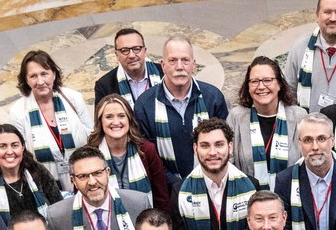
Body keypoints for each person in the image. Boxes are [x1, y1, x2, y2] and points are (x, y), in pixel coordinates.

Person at [46, 146, 151, 230]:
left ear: (107, 173)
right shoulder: (57, 216)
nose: (92, 182)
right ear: (73, 180)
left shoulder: (138, 204)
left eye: (97, 173)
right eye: (83, 176)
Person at [135, 36, 230, 186]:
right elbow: (148, 156)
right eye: (172, 61)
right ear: (163, 65)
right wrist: (176, 185)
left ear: (193, 65)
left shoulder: (212, 97)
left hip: (212, 183)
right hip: (168, 190)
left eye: (185, 60)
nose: (179, 66)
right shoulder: (145, 105)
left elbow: (225, 144)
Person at [171, 118, 259, 230]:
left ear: (230, 147)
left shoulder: (251, 187)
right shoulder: (180, 192)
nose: (212, 152)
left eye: (219, 145)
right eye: (205, 146)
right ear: (195, 149)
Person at [8, 50, 92, 192]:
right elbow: (20, 152)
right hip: (45, 184)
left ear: (53, 74)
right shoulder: (18, 111)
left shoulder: (73, 98)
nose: (40, 82)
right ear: (26, 80)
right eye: (33, 76)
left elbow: (91, 135)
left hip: (83, 178)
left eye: (44, 74)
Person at [227, 56, 307, 189]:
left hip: (290, 199)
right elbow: (228, 162)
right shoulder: (236, 117)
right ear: (248, 86)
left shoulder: (299, 116)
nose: (261, 86)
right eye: (254, 81)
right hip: (247, 199)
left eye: (267, 80)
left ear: (279, 84)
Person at [86, 94, 171, 210]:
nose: (116, 122)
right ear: (100, 121)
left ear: (129, 119)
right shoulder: (88, 154)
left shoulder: (147, 150)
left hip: (145, 221)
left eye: (121, 116)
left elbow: (161, 197)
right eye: (109, 117)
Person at [0, 123, 64, 225]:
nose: (10, 152)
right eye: (3, 146)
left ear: (22, 147)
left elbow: (59, 208)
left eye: (15, 145)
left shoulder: (38, 171)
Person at [94, 27, 163, 109]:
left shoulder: (164, 73)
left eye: (136, 49)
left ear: (145, 51)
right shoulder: (105, 86)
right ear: (116, 55)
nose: (131, 55)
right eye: (124, 50)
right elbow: (102, 120)